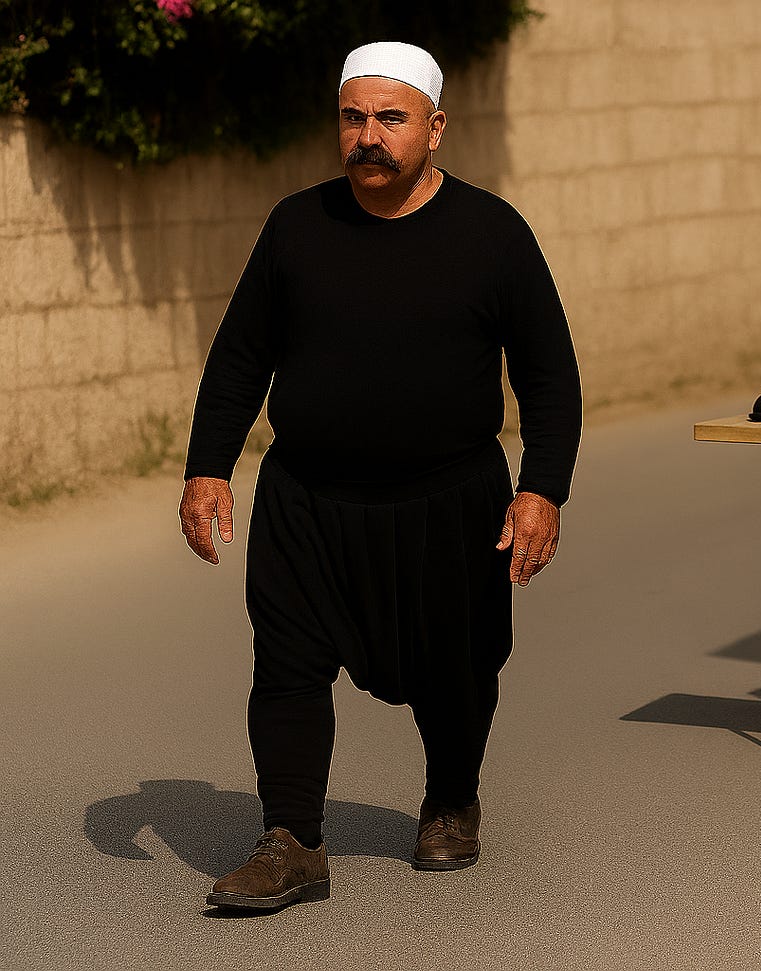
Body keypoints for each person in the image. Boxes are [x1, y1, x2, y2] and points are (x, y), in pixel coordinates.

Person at [178, 41, 582, 909]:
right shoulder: (296, 226)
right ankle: (291, 840)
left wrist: (542, 486)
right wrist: (207, 465)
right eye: (354, 116)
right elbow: (240, 356)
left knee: (461, 665)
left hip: (448, 504)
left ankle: (450, 799)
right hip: (307, 501)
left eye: (390, 118)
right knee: (285, 665)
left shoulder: (492, 234)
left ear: (434, 129)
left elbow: (549, 373)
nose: (369, 136)